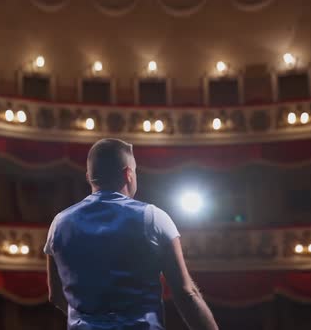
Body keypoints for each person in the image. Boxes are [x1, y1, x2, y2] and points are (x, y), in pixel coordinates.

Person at [44, 138, 218, 330]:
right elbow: (187, 294)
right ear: (128, 174)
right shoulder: (153, 218)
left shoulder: (59, 223)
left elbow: (56, 296)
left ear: (88, 176)